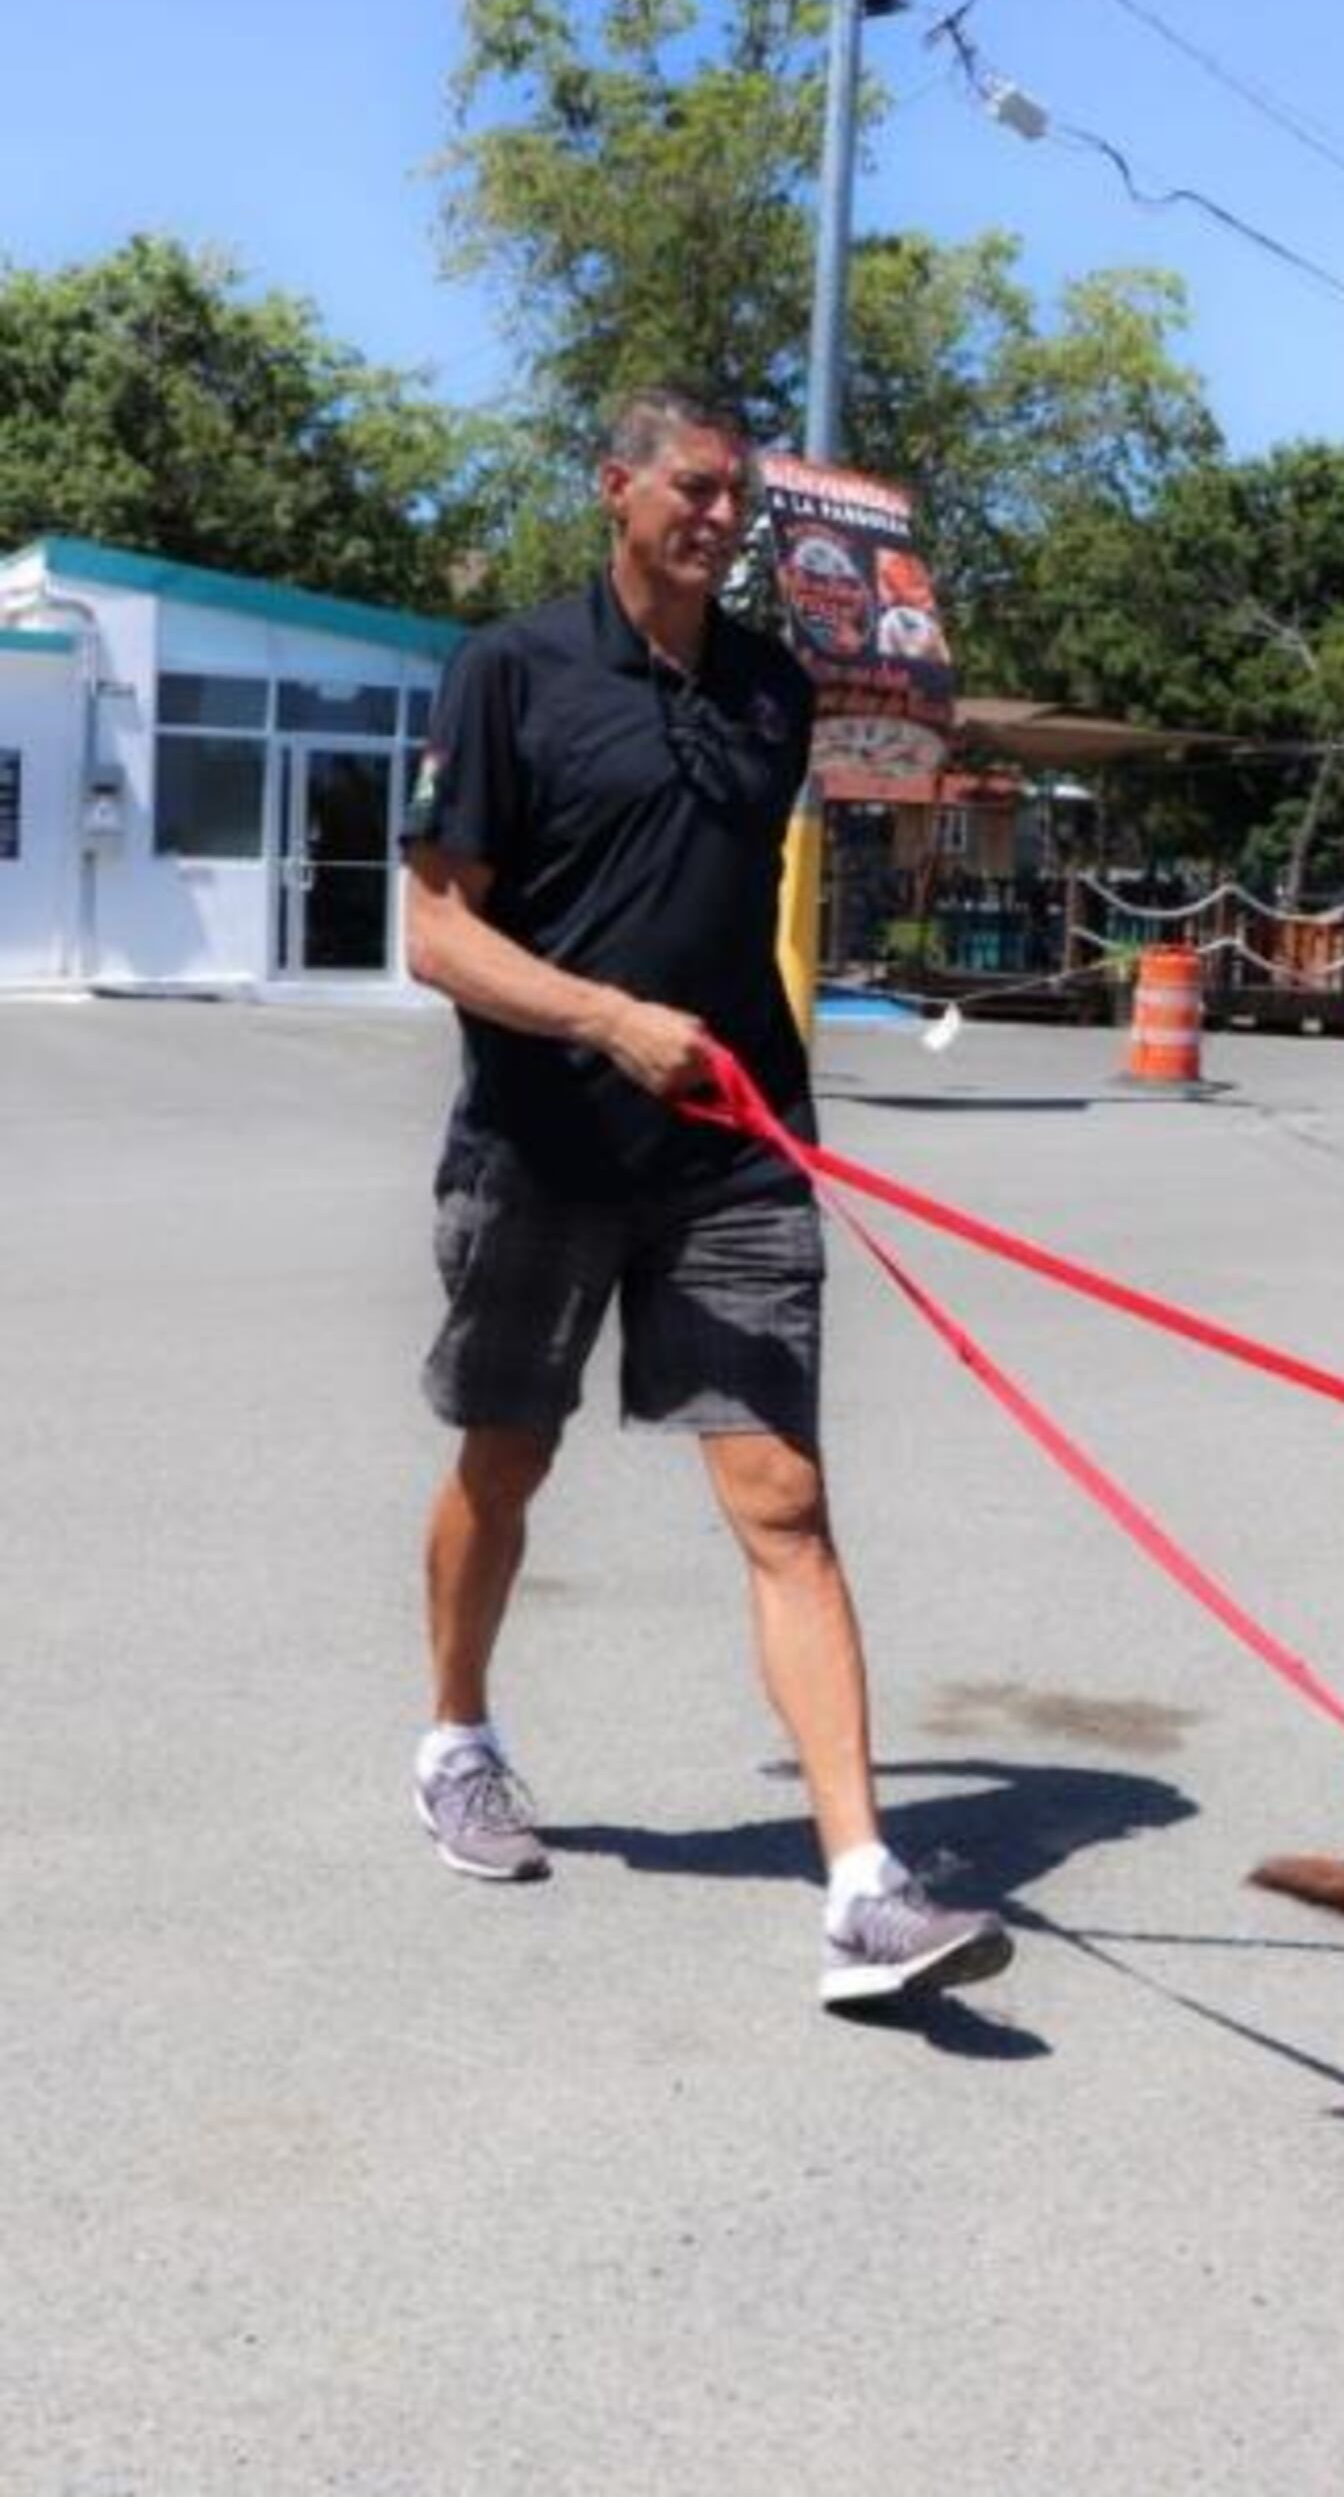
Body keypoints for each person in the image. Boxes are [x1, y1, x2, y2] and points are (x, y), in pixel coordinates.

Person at [399, 384, 1010, 2012]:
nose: (722, 518)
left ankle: (866, 1885)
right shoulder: (510, 671)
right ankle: (457, 1735)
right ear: (616, 487)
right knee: (504, 1461)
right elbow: (437, 936)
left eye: (739, 495)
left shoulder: (768, 689)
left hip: (734, 1156)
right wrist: (603, 1017)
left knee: (787, 1506)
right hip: (543, 1144)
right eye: (694, 487)